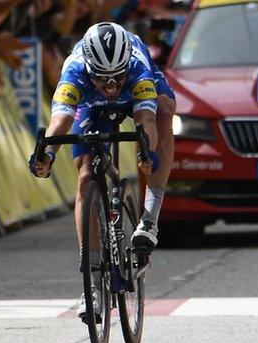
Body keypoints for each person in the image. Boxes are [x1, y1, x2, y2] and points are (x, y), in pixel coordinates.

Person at [28, 22, 176, 321]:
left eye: (116, 78)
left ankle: (150, 218)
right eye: (102, 79)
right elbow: (59, 122)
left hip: (137, 98)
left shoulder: (136, 67)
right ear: (89, 69)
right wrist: (47, 154)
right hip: (90, 106)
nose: (110, 87)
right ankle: (92, 286)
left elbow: (145, 119)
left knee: (164, 109)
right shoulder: (74, 72)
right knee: (85, 175)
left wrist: (147, 151)